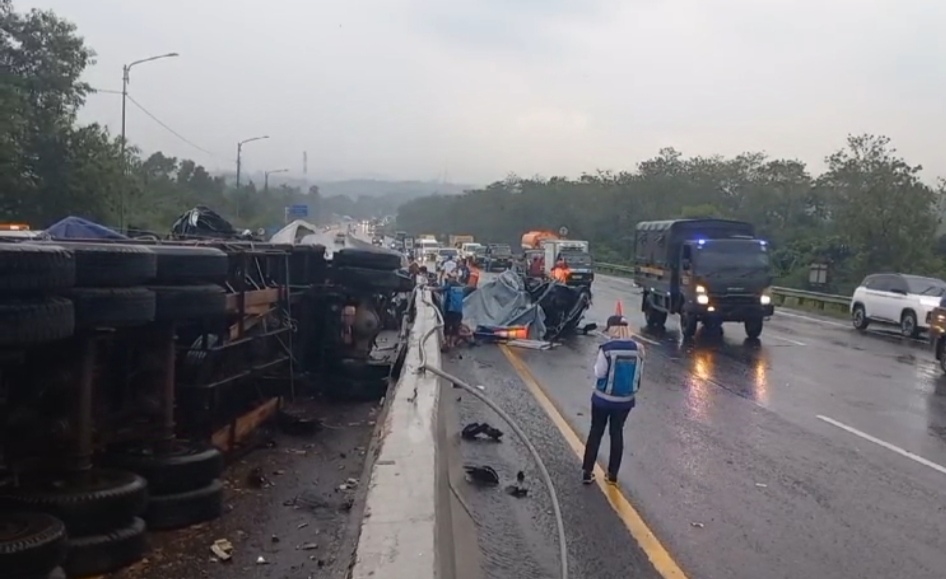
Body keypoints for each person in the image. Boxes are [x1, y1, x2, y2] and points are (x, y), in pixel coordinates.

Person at [581, 314, 643, 486]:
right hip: (625, 401)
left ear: (612, 329)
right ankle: (612, 475)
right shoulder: (638, 349)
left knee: (596, 432)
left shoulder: (607, 348)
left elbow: (599, 372)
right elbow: (638, 376)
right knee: (617, 433)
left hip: (602, 399)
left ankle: (587, 472)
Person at [433, 273, 466, 349]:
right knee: (455, 328)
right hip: (458, 311)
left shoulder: (450, 285)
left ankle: (447, 343)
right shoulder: (461, 287)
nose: (448, 279)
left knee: (447, 327)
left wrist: (430, 288)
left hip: (450, 311)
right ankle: (452, 344)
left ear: (452, 278)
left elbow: (440, 289)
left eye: (449, 278)